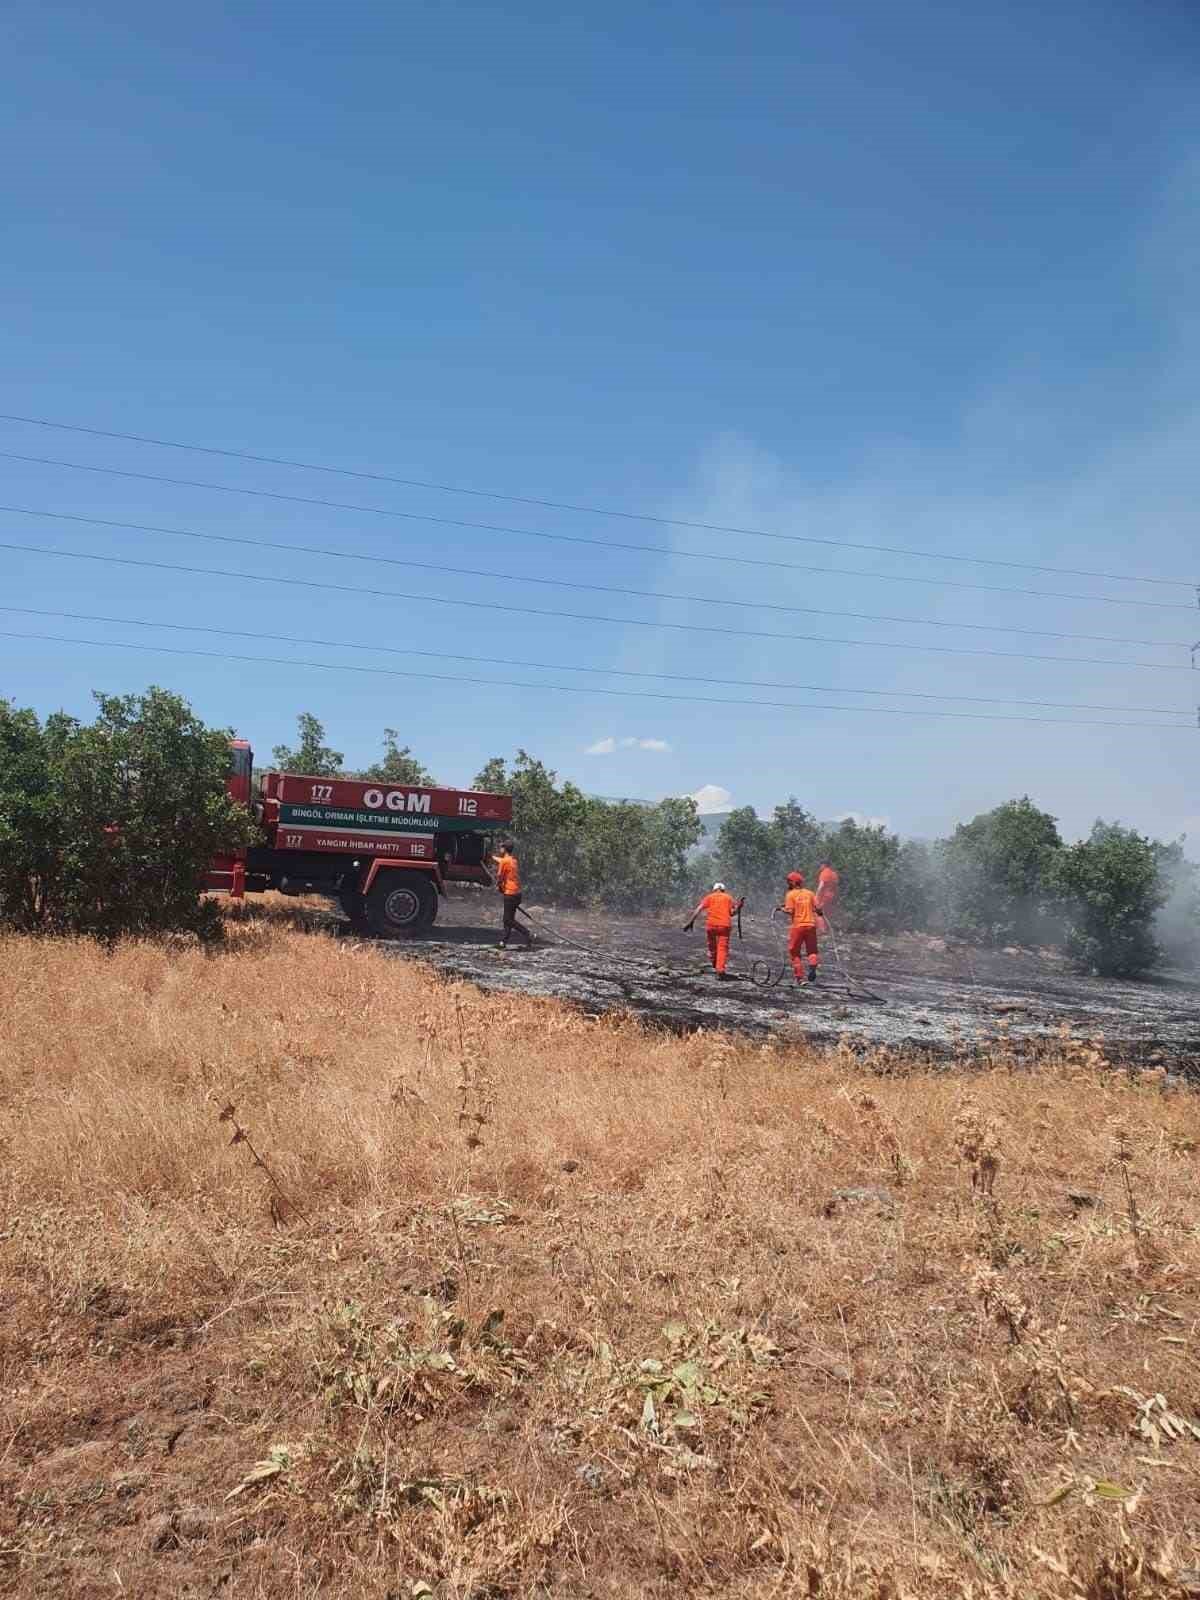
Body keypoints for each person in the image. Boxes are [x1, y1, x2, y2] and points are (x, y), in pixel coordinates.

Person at [685, 881, 741, 978]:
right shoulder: (728, 897)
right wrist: (739, 907)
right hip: (724, 926)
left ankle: (714, 962)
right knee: (722, 948)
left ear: (714, 889)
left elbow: (699, 909)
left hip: (711, 925)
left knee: (712, 945)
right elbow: (732, 913)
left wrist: (690, 922)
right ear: (723, 890)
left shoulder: (709, 897)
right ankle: (720, 971)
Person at [780, 870, 821, 984]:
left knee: (794, 952)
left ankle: (800, 978)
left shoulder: (790, 894)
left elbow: (790, 911)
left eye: (788, 881)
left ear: (792, 882)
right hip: (811, 925)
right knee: (812, 951)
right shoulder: (810, 893)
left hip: (798, 926)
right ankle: (812, 966)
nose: (787, 884)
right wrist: (819, 912)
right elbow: (818, 909)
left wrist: (782, 909)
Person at [492, 841, 532, 948]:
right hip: (517, 893)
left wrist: (498, 886)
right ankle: (503, 942)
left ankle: (526, 933)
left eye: (501, 847)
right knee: (509, 918)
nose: (500, 848)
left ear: (504, 849)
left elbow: (499, 877)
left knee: (507, 920)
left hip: (510, 893)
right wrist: (492, 858)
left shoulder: (504, 862)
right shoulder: (513, 860)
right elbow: (503, 861)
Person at [815, 860, 840, 930]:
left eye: (820, 865)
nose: (819, 867)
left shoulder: (824, 873)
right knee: (827, 912)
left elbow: (821, 885)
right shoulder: (834, 874)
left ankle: (822, 929)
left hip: (824, 896)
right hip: (832, 896)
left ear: (824, 865)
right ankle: (827, 928)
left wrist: (816, 895)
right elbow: (836, 886)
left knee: (818, 912)